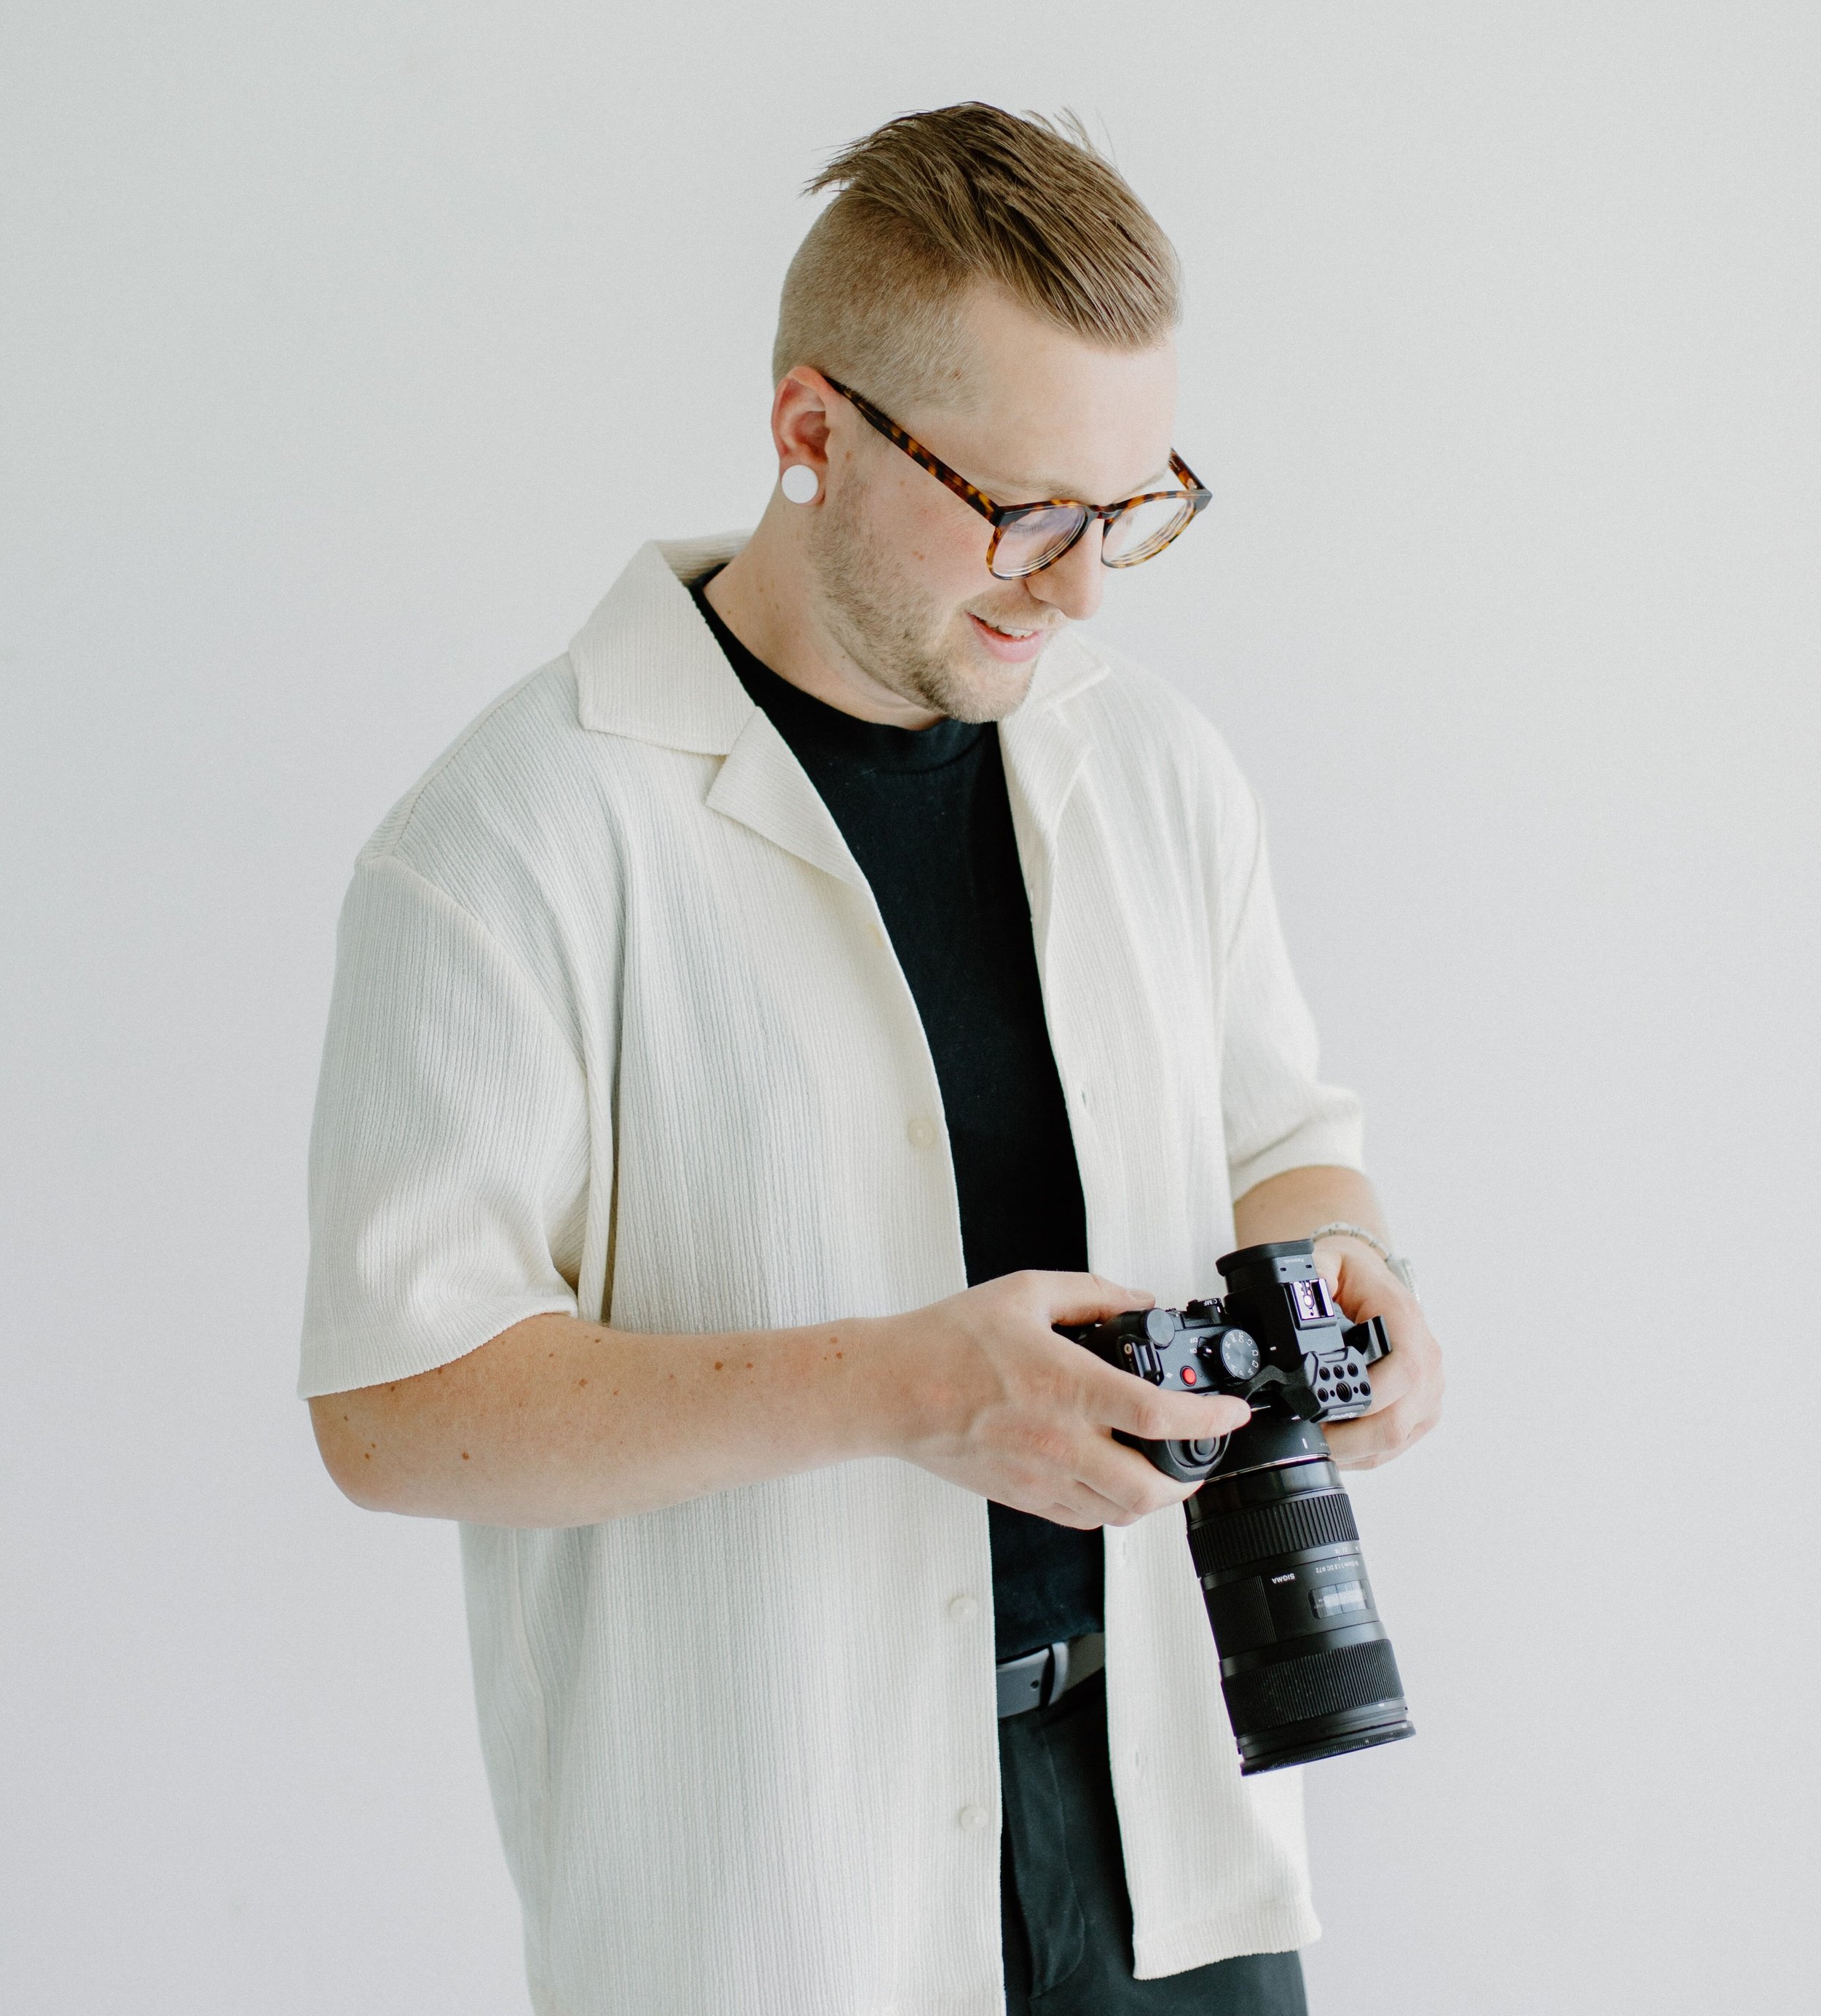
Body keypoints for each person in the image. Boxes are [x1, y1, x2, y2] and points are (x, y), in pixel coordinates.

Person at [300, 102, 1444, 2016]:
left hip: (1173, 1838)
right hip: (781, 1902)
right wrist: (906, 1388)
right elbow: (396, 1404)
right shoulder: (511, 842)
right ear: (811, 433)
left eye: (1129, 506)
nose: (1078, 587)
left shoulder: (1150, 765)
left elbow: (1284, 1140)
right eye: (1024, 512)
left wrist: (1353, 1270)